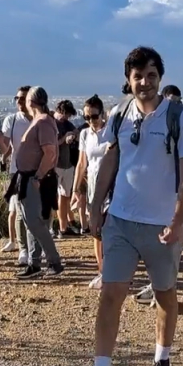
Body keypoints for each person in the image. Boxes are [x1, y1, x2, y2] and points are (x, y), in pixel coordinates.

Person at [75, 47, 183, 366]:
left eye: (150, 75)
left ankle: (162, 361)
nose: (144, 82)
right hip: (121, 221)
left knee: (164, 295)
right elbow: (112, 160)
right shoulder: (120, 114)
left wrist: (177, 221)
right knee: (111, 294)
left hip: (162, 225)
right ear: (128, 80)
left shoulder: (179, 117)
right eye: (137, 76)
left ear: (159, 77)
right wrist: (96, 205)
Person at [12, 86, 64, 279]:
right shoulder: (41, 121)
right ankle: (35, 264)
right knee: (31, 222)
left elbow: (50, 152)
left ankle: (54, 261)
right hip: (29, 178)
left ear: (31, 102)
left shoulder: (43, 122)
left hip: (35, 179)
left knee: (35, 223)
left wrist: (38, 176)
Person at [72, 94, 110, 288]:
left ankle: (112, 272)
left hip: (111, 186)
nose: (90, 121)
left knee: (109, 229)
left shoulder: (110, 132)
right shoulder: (85, 134)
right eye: (86, 118)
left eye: (93, 117)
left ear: (101, 114)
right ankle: (101, 270)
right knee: (95, 230)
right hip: (93, 186)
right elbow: (81, 163)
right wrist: (76, 188)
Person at [0, 86, 32, 265]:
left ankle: (33, 247)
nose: (18, 102)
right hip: (17, 171)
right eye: (17, 98)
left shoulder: (39, 119)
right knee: (20, 210)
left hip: (36, 171)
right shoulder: (11, 120)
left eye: (22, 98)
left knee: (34, 211)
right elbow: (9, 146)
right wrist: (3, 155)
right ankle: (23, 248)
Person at [53, 100, 81, 239]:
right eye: (67, 114)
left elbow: (75, 131)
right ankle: (56, 227)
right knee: (55, 197)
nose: (67, 118)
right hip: (56, 164)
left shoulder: (66, 123)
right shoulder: (52, 122)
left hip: (67, 163)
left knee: (65, 196)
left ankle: (63, 228)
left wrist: (73, 135)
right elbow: (52, 144)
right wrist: (64, 138)